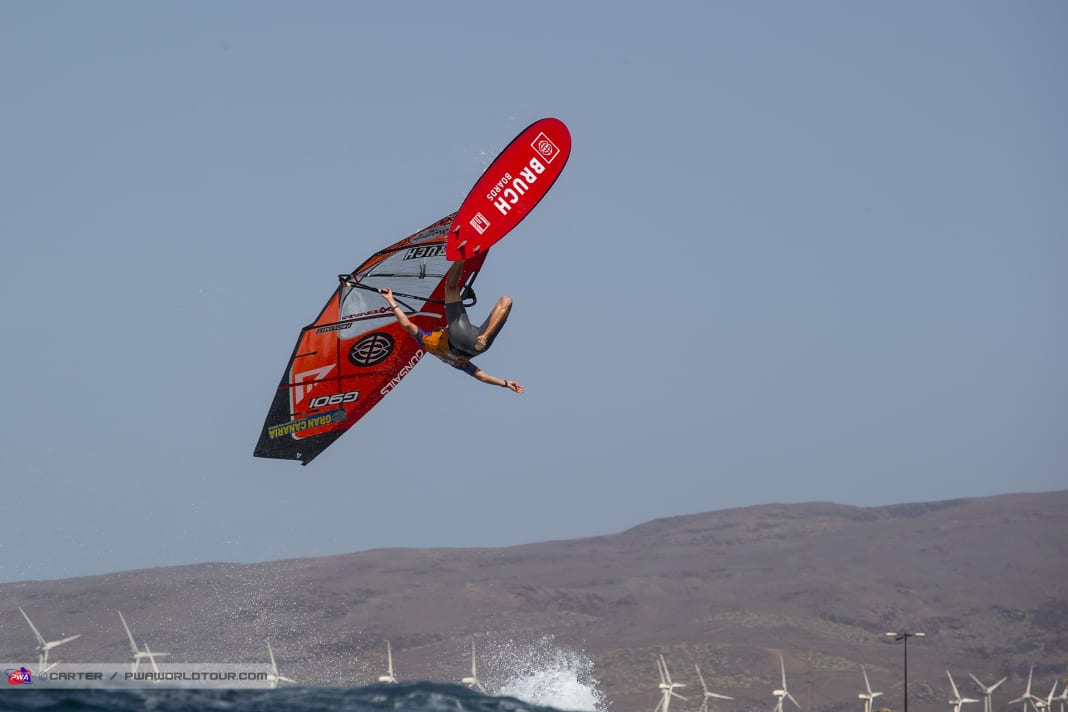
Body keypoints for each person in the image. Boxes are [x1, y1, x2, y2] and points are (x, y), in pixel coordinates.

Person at [379, 259, 524, 393]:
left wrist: (506, 383)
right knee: (451, 287)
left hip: (477, 348)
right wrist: (391, 300)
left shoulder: (458, 364)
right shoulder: (424, 341)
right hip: (460, 337)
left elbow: (483, 377)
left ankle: (484, 337)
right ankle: (461, 257)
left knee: (506, 301)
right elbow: (406, 324)